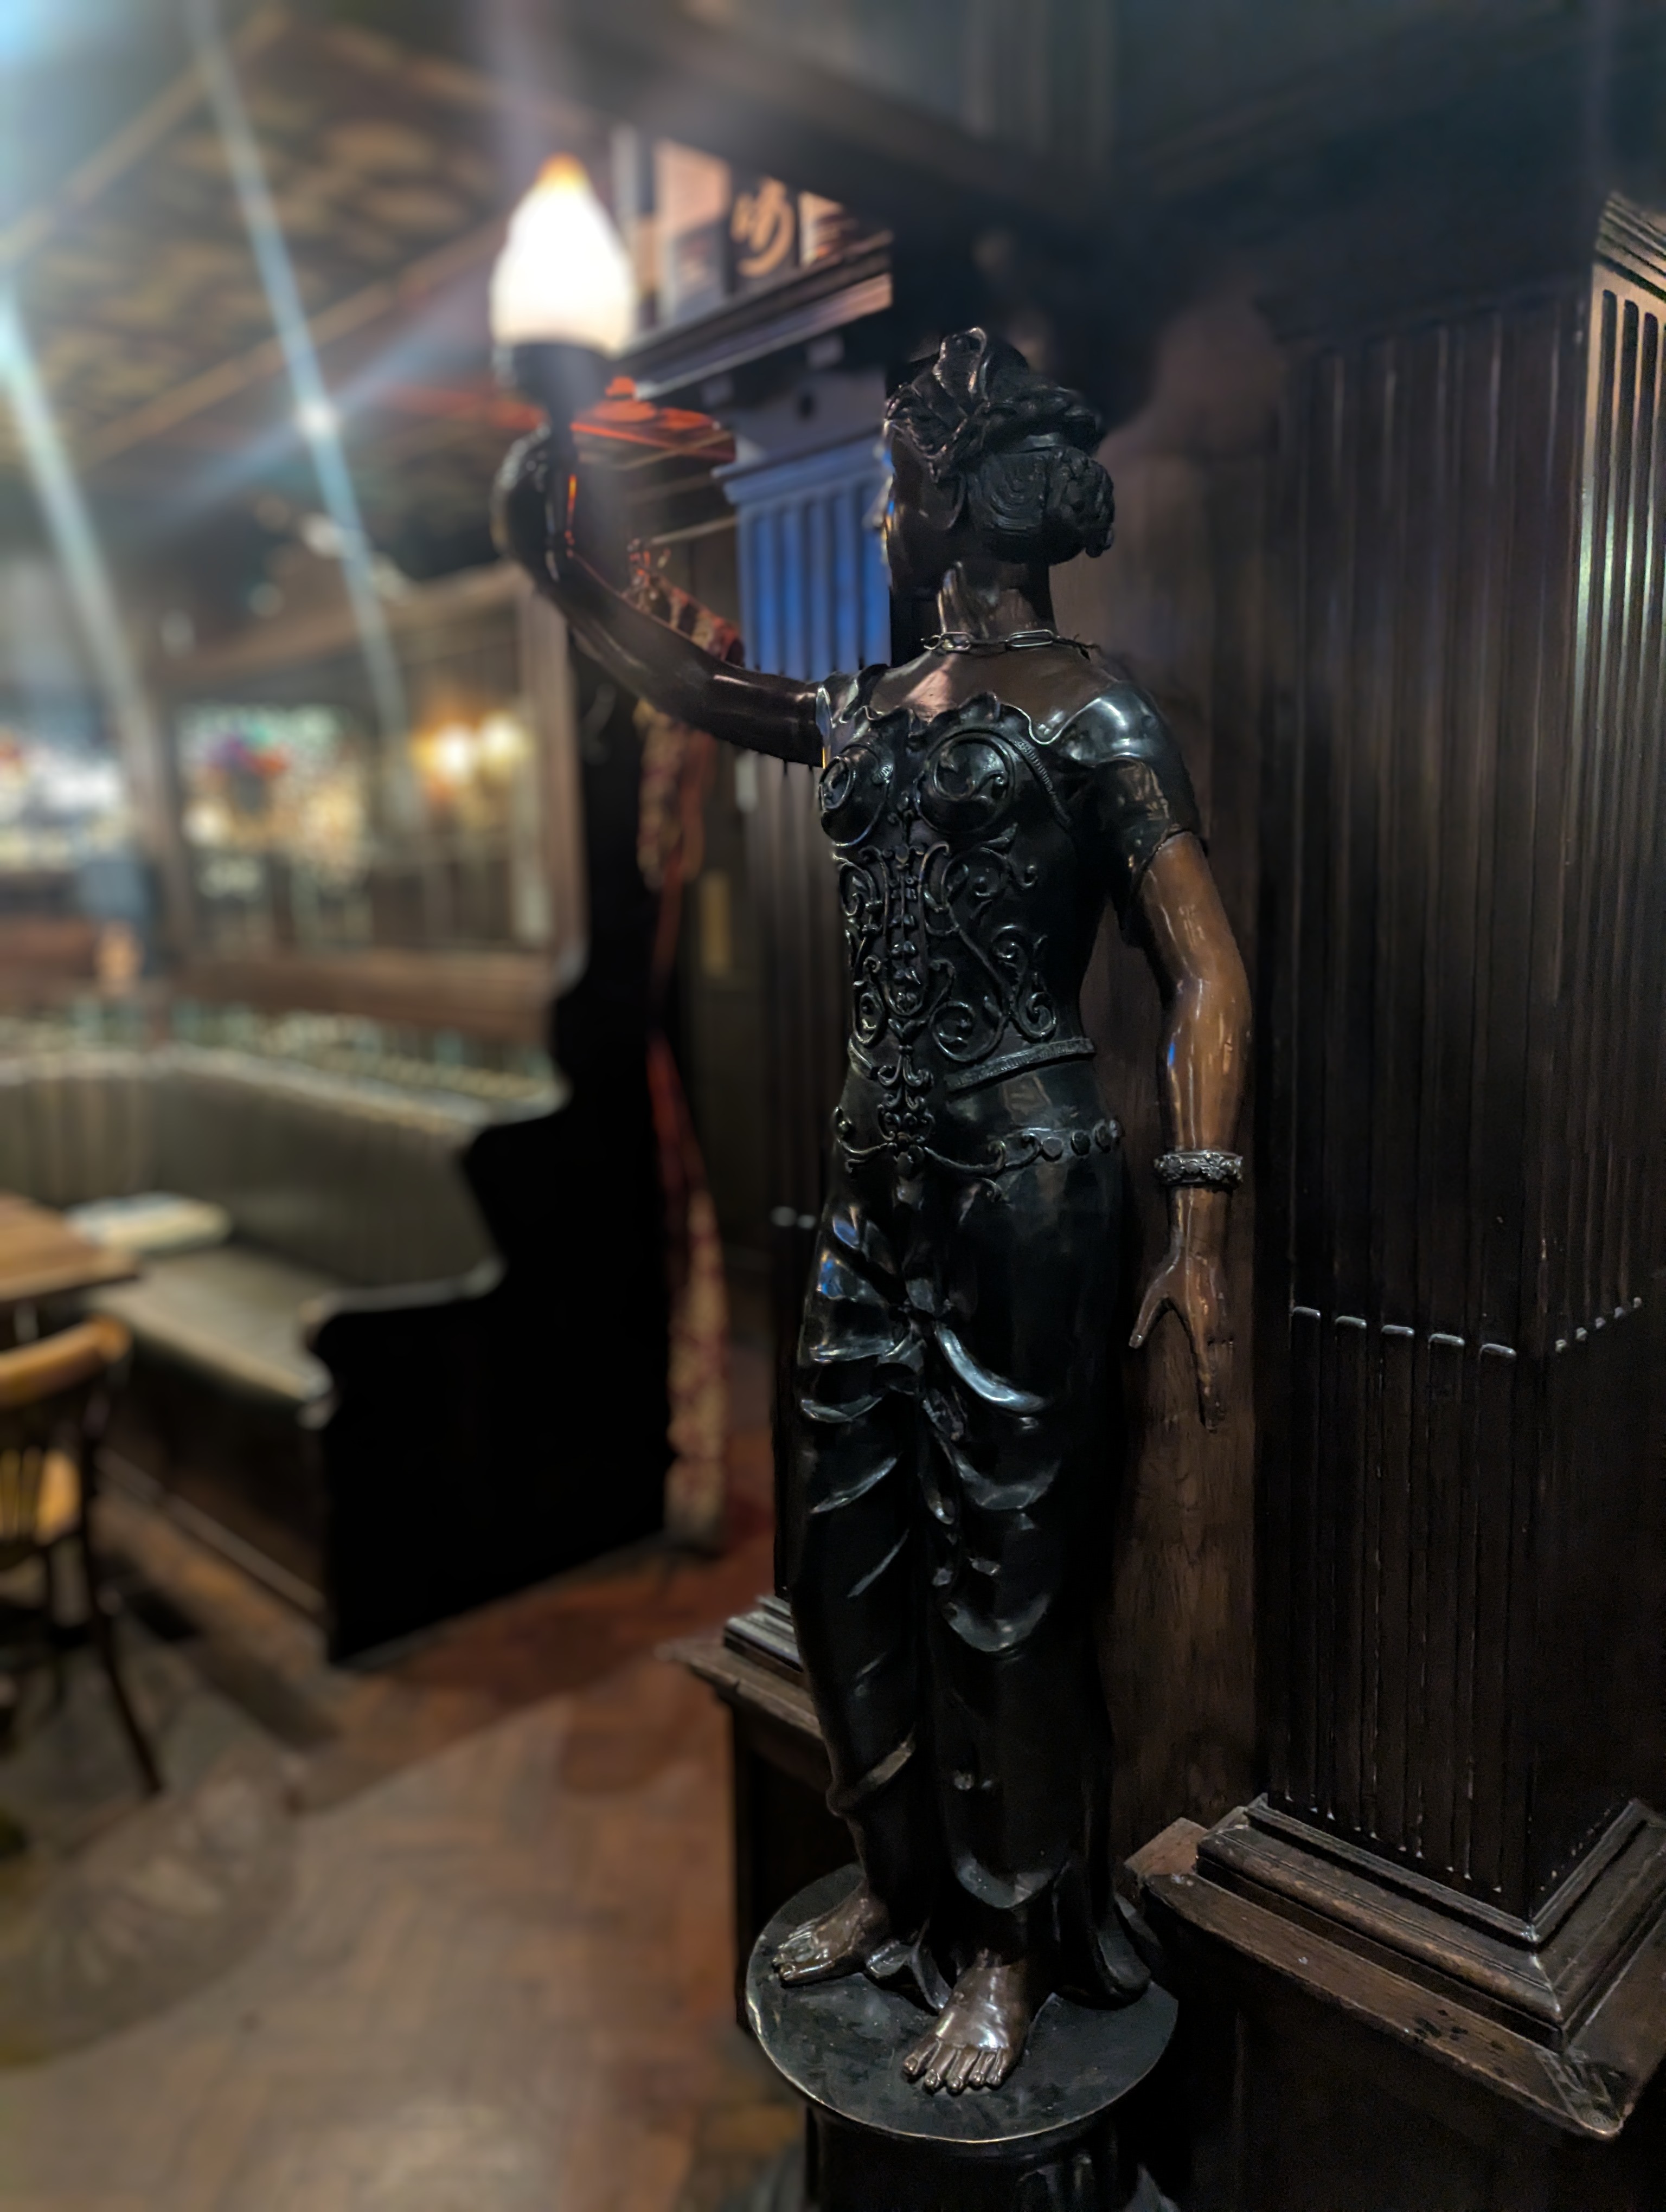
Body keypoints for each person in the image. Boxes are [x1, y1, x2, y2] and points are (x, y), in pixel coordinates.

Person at [496, 328, 1250, 2094]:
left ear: (963, 501)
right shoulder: (867, 704)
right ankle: (900, 1877)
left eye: (898, 482)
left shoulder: (1097, 714)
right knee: (840, 1561)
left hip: (1029, 1197)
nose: (879, 512)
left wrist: (1201, 1220)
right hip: (872, 1193)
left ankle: (1009, 1934)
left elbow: (1206, 973)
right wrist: (564, 569)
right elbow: (699, 692)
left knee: (1009, 1584)